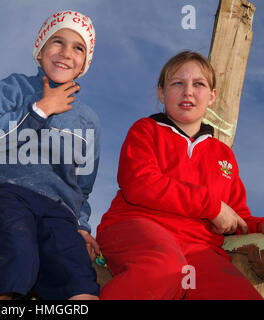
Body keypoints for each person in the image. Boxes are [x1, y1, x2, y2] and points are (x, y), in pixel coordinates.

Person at [96, 50, 264, 300]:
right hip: (138, 227)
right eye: (177, 83)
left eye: (199, 84)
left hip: (198, 247)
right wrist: (211, 206)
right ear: (161, 93)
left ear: (212, 97)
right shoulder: (146, 130)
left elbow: (237, 217)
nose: (188, 91)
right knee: (165, 268)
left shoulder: (223, 155)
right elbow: (140, 184)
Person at [0, 10, 100, 300]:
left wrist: (82, 226)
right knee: (12, 255)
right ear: (40, 49)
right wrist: (40, 109)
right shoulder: (13, 88)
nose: (65, 53)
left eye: (78, 48)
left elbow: (82, 186)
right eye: (57, 42)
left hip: (59, 210)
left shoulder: (88, 120)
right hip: (8, 195)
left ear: (84, 64)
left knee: (76, 274)